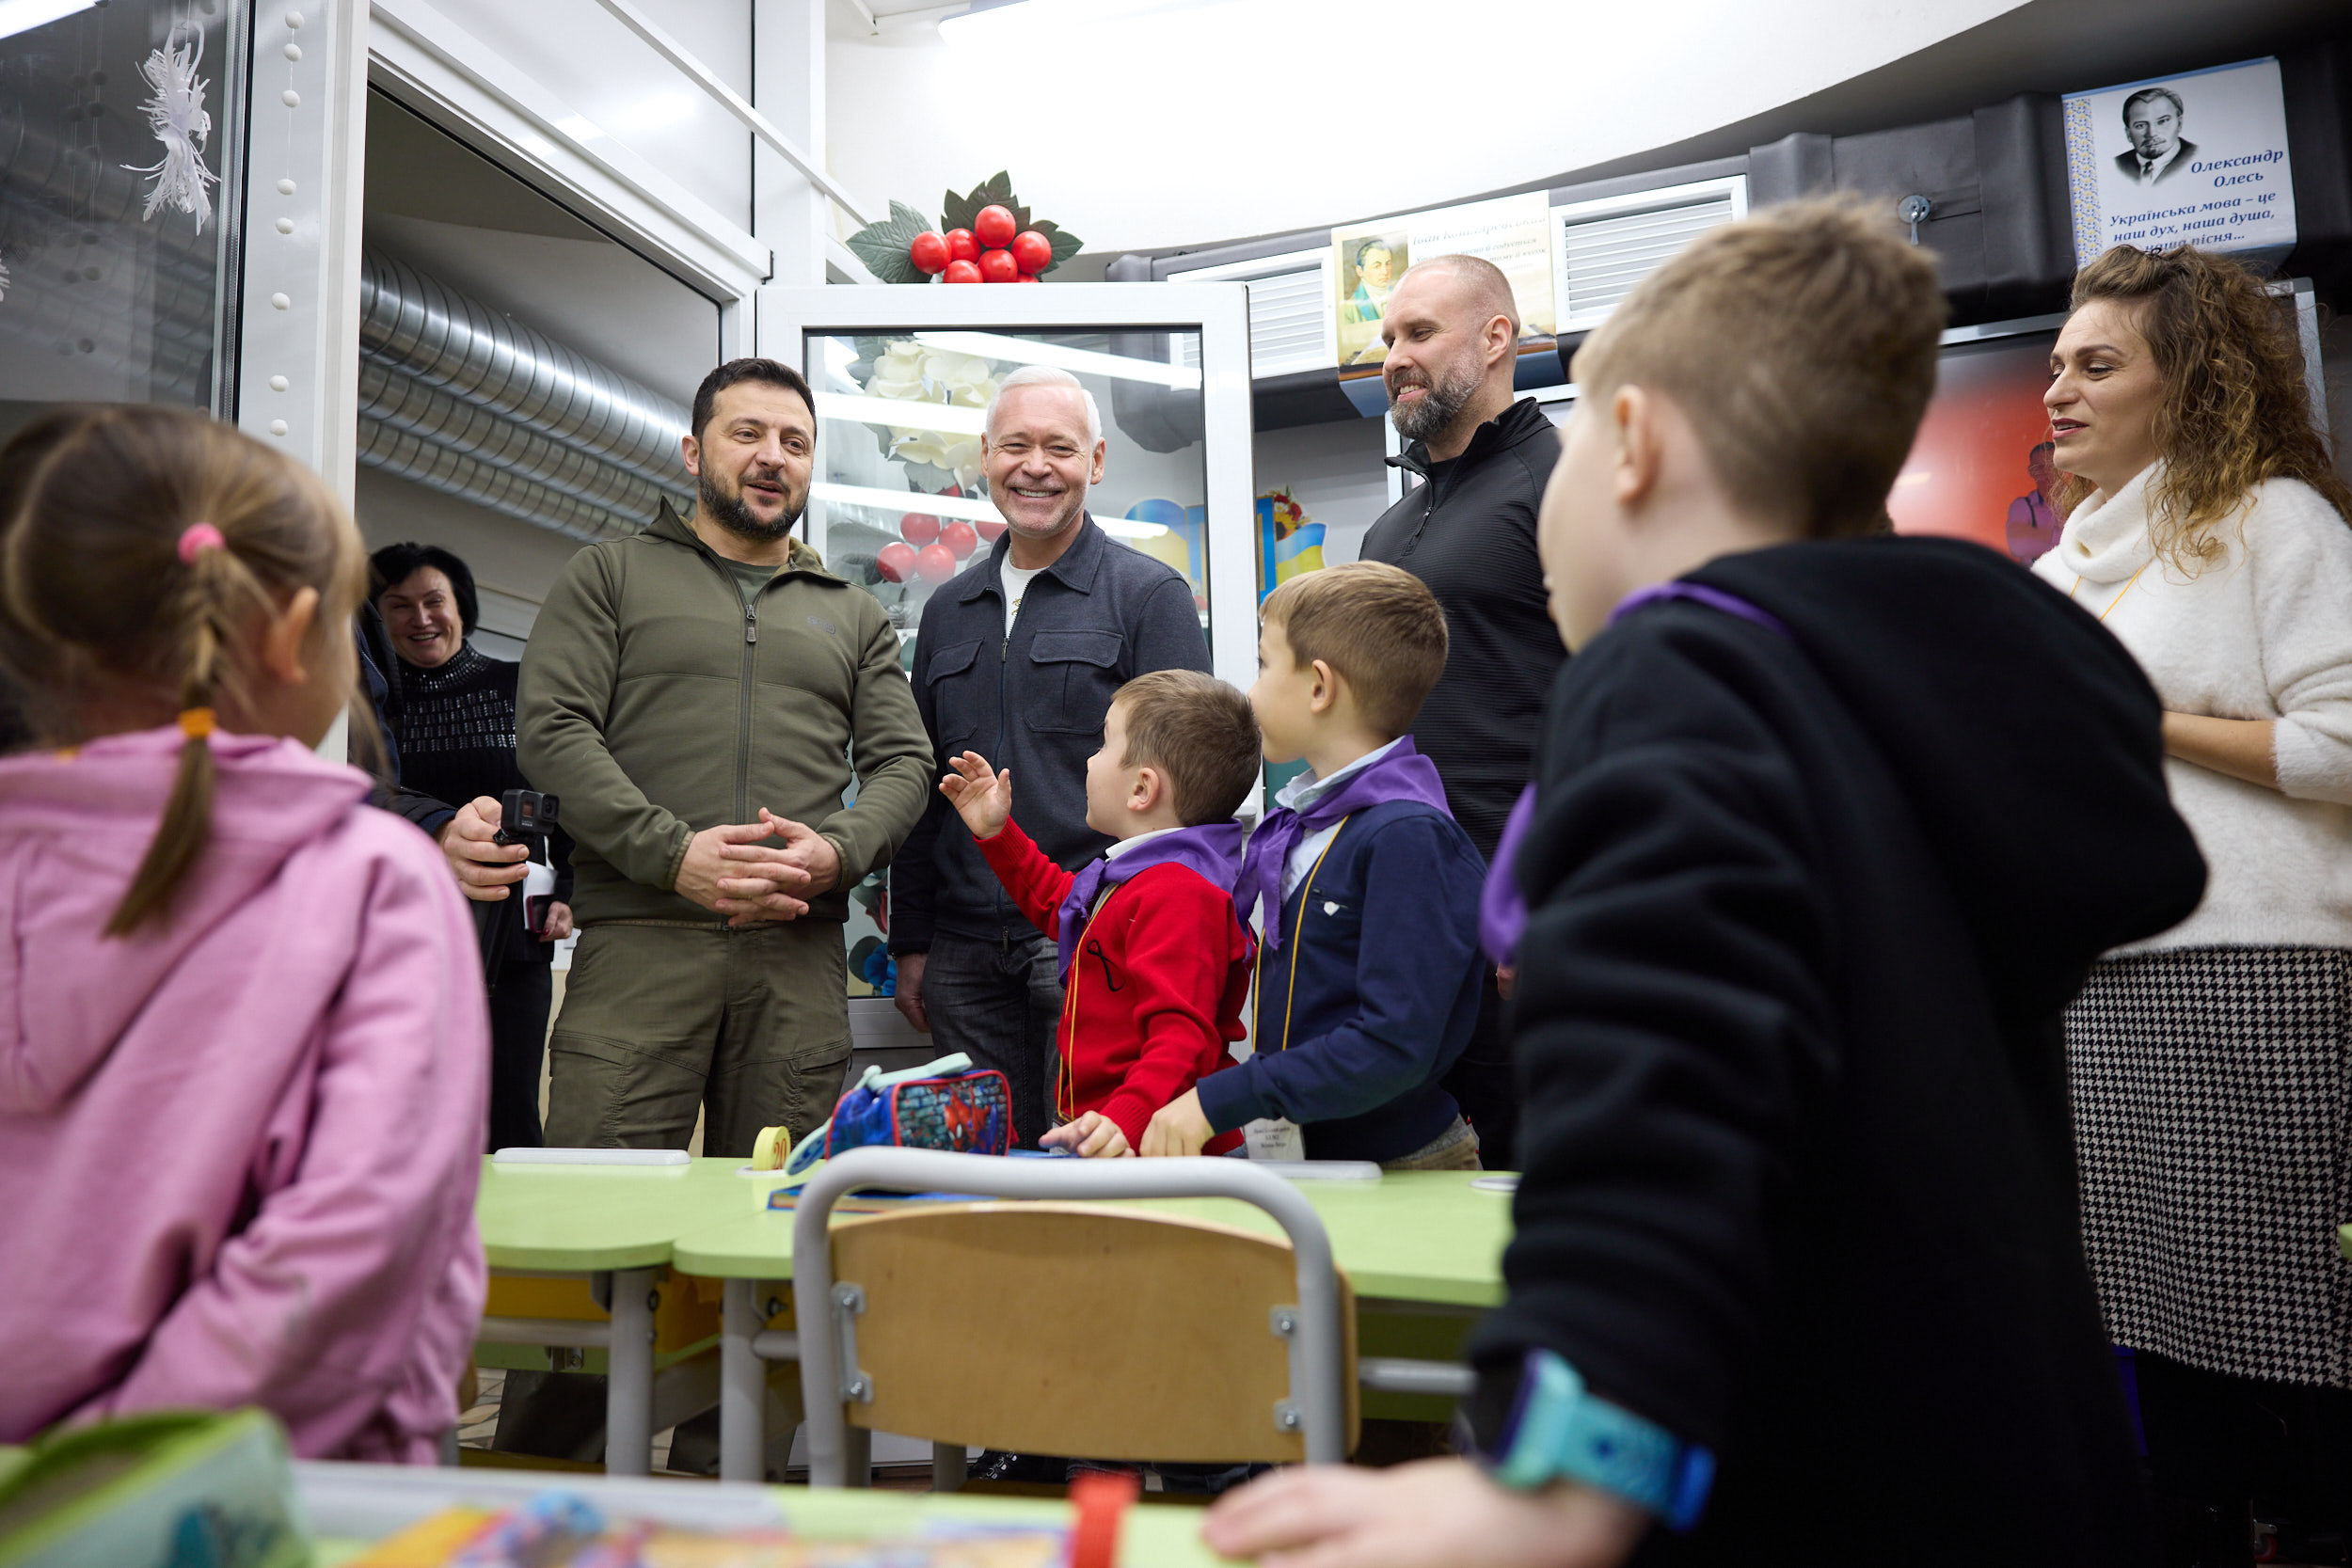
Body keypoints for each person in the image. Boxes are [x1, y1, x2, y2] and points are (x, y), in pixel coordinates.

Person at [1203, 199, 2204, 1567]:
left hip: (1790, 1472)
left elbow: (1666, 1077)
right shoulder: (1913, 700)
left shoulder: (1675, 673)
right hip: (2017, 1455)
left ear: (1630, 445)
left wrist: (1560, 1473)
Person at [0, 405, 487, 1461]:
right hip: (268, 1494)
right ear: (287, 630)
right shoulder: (370, 880)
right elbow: (357, 1234)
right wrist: (116, 1477)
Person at [2032, 244, 2352, 1566]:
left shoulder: (2274, 521)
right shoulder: (2064, 573)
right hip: (2099, 986)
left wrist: (2139, 720)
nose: (2059, 388)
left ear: (2190, 384)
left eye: (2097, 364)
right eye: (2056, 361)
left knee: (2283, 1340)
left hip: (2258, 982)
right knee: (2155, 1334)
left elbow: (2344, 747)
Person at [517, 358, 932, 1157]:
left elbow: (905, 763)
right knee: (604, 1209)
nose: (772, 455)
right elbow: (553, 728)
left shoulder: (852, 614)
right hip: (640, 940)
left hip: (794, 955)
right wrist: (672, 855)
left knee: (777, 1219)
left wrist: (835, 854)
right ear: (693, 451)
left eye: (795, 442)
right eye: (746, 433)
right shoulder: (611, 575)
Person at [890, 365, 1212, 1148]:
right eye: (1016, 446)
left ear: (1096, 462)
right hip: (964, 955)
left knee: (1086, 1162)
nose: (1036, 466)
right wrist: (912, 942)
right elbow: (924, 787)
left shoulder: (1148, 596)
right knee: (979, 1173)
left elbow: (1190, 793)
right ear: (985, 456)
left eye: (1060, 448)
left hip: (1092, 942)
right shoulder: (946, 610)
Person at [1138, 562, 1486, 1169]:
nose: (1251, 689)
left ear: (1320, 687)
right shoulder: (1309, 825)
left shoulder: (1408, 838)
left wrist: (1221, 1099)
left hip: (1405, 1168)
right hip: (1316, 1161)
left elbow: (1391, 1042)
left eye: (1266, 665)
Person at [1359, 252, 1563, 1171]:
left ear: (1495, 338)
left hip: (1524, 917)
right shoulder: (1386, 531)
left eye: (1419, 333)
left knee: (1536, 1178)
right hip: (1409, 915)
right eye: (1389, 337)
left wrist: (1546, 890)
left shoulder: (1562, 482)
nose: (1395, 355)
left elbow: (1616, 696)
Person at [935, 670, 1260, 1158]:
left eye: (1103, 744)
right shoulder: (1144, 877)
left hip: (1156, 1151)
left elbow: (1180, 1037)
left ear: (1142, 789)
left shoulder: (1180, 894)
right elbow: (1062, 907)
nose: (1090, 759)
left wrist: (1122, 1120)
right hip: (1114, 1137)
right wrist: (996, 833)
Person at [373, 540, 575, 1152]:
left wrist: (568, 891)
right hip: (402, 931)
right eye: (398, 605)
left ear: (461, 604)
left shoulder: (517, 686)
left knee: (509, 1107)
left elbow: (563, 797)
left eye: (434, 600)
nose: (421, 617)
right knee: (413, 1110)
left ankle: (515, 1246)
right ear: (374, 618)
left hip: (510, 934)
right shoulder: (369, 710)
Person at [2116, 87, 2197, 185]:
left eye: (2162, 121)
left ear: (2179, 124)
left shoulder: (2197, 157)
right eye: (2140, 126)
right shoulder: (2116, 165)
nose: (2151, 133)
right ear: (2128, 134)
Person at [2006, 440, 2065, 565]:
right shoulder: (2021, 506)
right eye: (2040, 467)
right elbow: (2017, 546)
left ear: (2063, 468)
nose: (2047, 472)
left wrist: (2037, 534)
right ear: (2031, 472)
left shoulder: (2079, 501)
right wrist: (2063, 537)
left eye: (2051, 465)